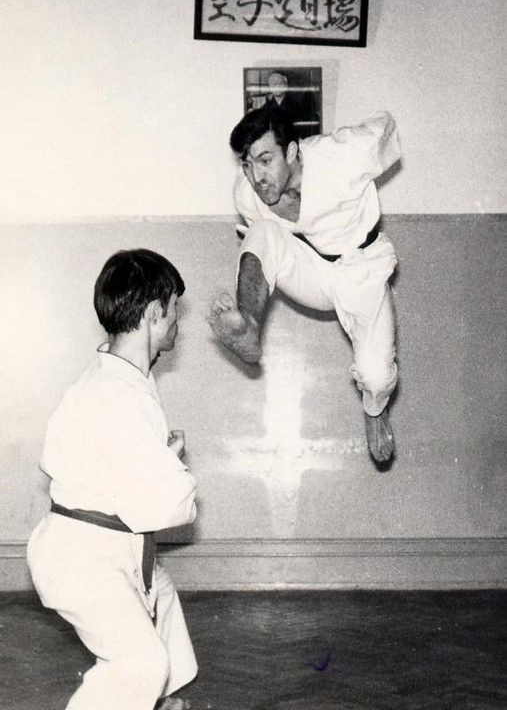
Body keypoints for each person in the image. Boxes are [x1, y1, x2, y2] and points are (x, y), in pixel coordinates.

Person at [27, 249, 197, 710]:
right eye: (174, 308)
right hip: (82, 559)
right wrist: (175, 469)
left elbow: (106, 460)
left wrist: (159, 458)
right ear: (153, 312)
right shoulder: (117, 392)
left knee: (160, 595)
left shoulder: (116, 375)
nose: (178, 321)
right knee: (140, 662)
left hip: (92, 545)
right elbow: (170, 505)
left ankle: (154, 702)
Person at [208, 107, 401, 467]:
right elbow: (263, 254)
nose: (256, 177)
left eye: (265, 160)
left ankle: (375, 411)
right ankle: (249, 326)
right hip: (313, 268)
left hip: (363, 268)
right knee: (262, 232)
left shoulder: (342, 155)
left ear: (293, 151)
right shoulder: (247, 195)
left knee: (375, 376)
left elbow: (385, 127)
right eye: (247, 165)